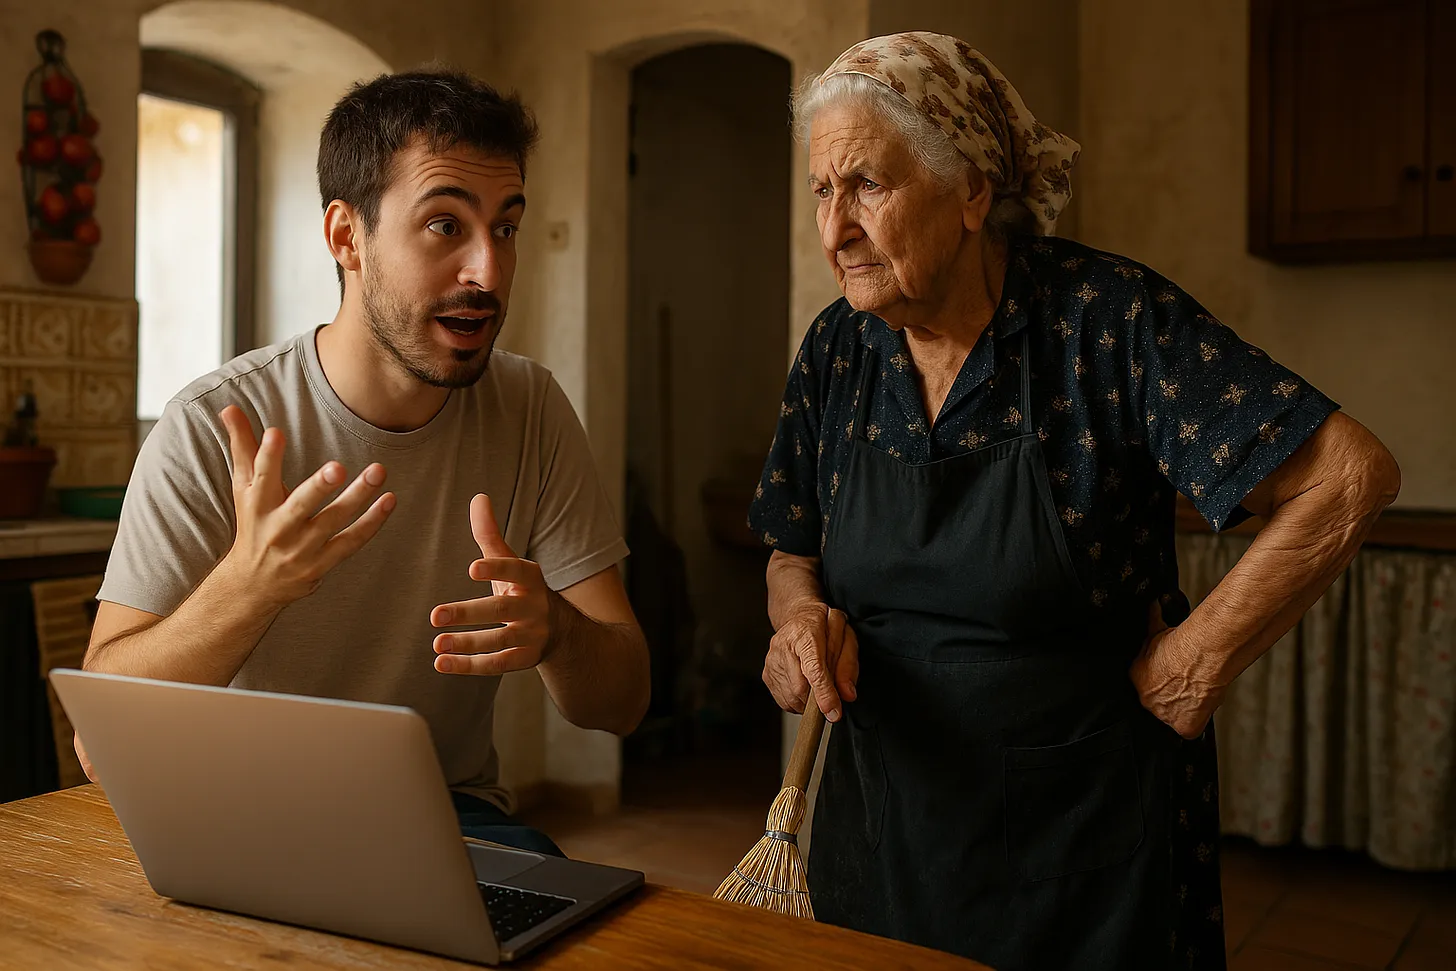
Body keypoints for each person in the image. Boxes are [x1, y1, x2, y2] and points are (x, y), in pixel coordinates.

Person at [749, 32, 1400, 971]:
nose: (834, 229)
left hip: (1084, 848)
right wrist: (797, 620)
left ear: (972, 192)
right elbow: (792, 545)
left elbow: (1349, 474)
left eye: (867, 186)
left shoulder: (1105, 320)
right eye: (822, 190)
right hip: (886, 828)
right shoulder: (837, 349)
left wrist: (1196, 662)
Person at [78, 70, 650, 856]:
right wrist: (250, 587)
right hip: (238, 825)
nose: (488, 271)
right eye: (445, 225)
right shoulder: (212, 424)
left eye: (506, 228)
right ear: (346, 237)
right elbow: (97, 744)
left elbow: (622, 703)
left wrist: (557, 630)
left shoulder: (531, 409)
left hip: (446, 819)